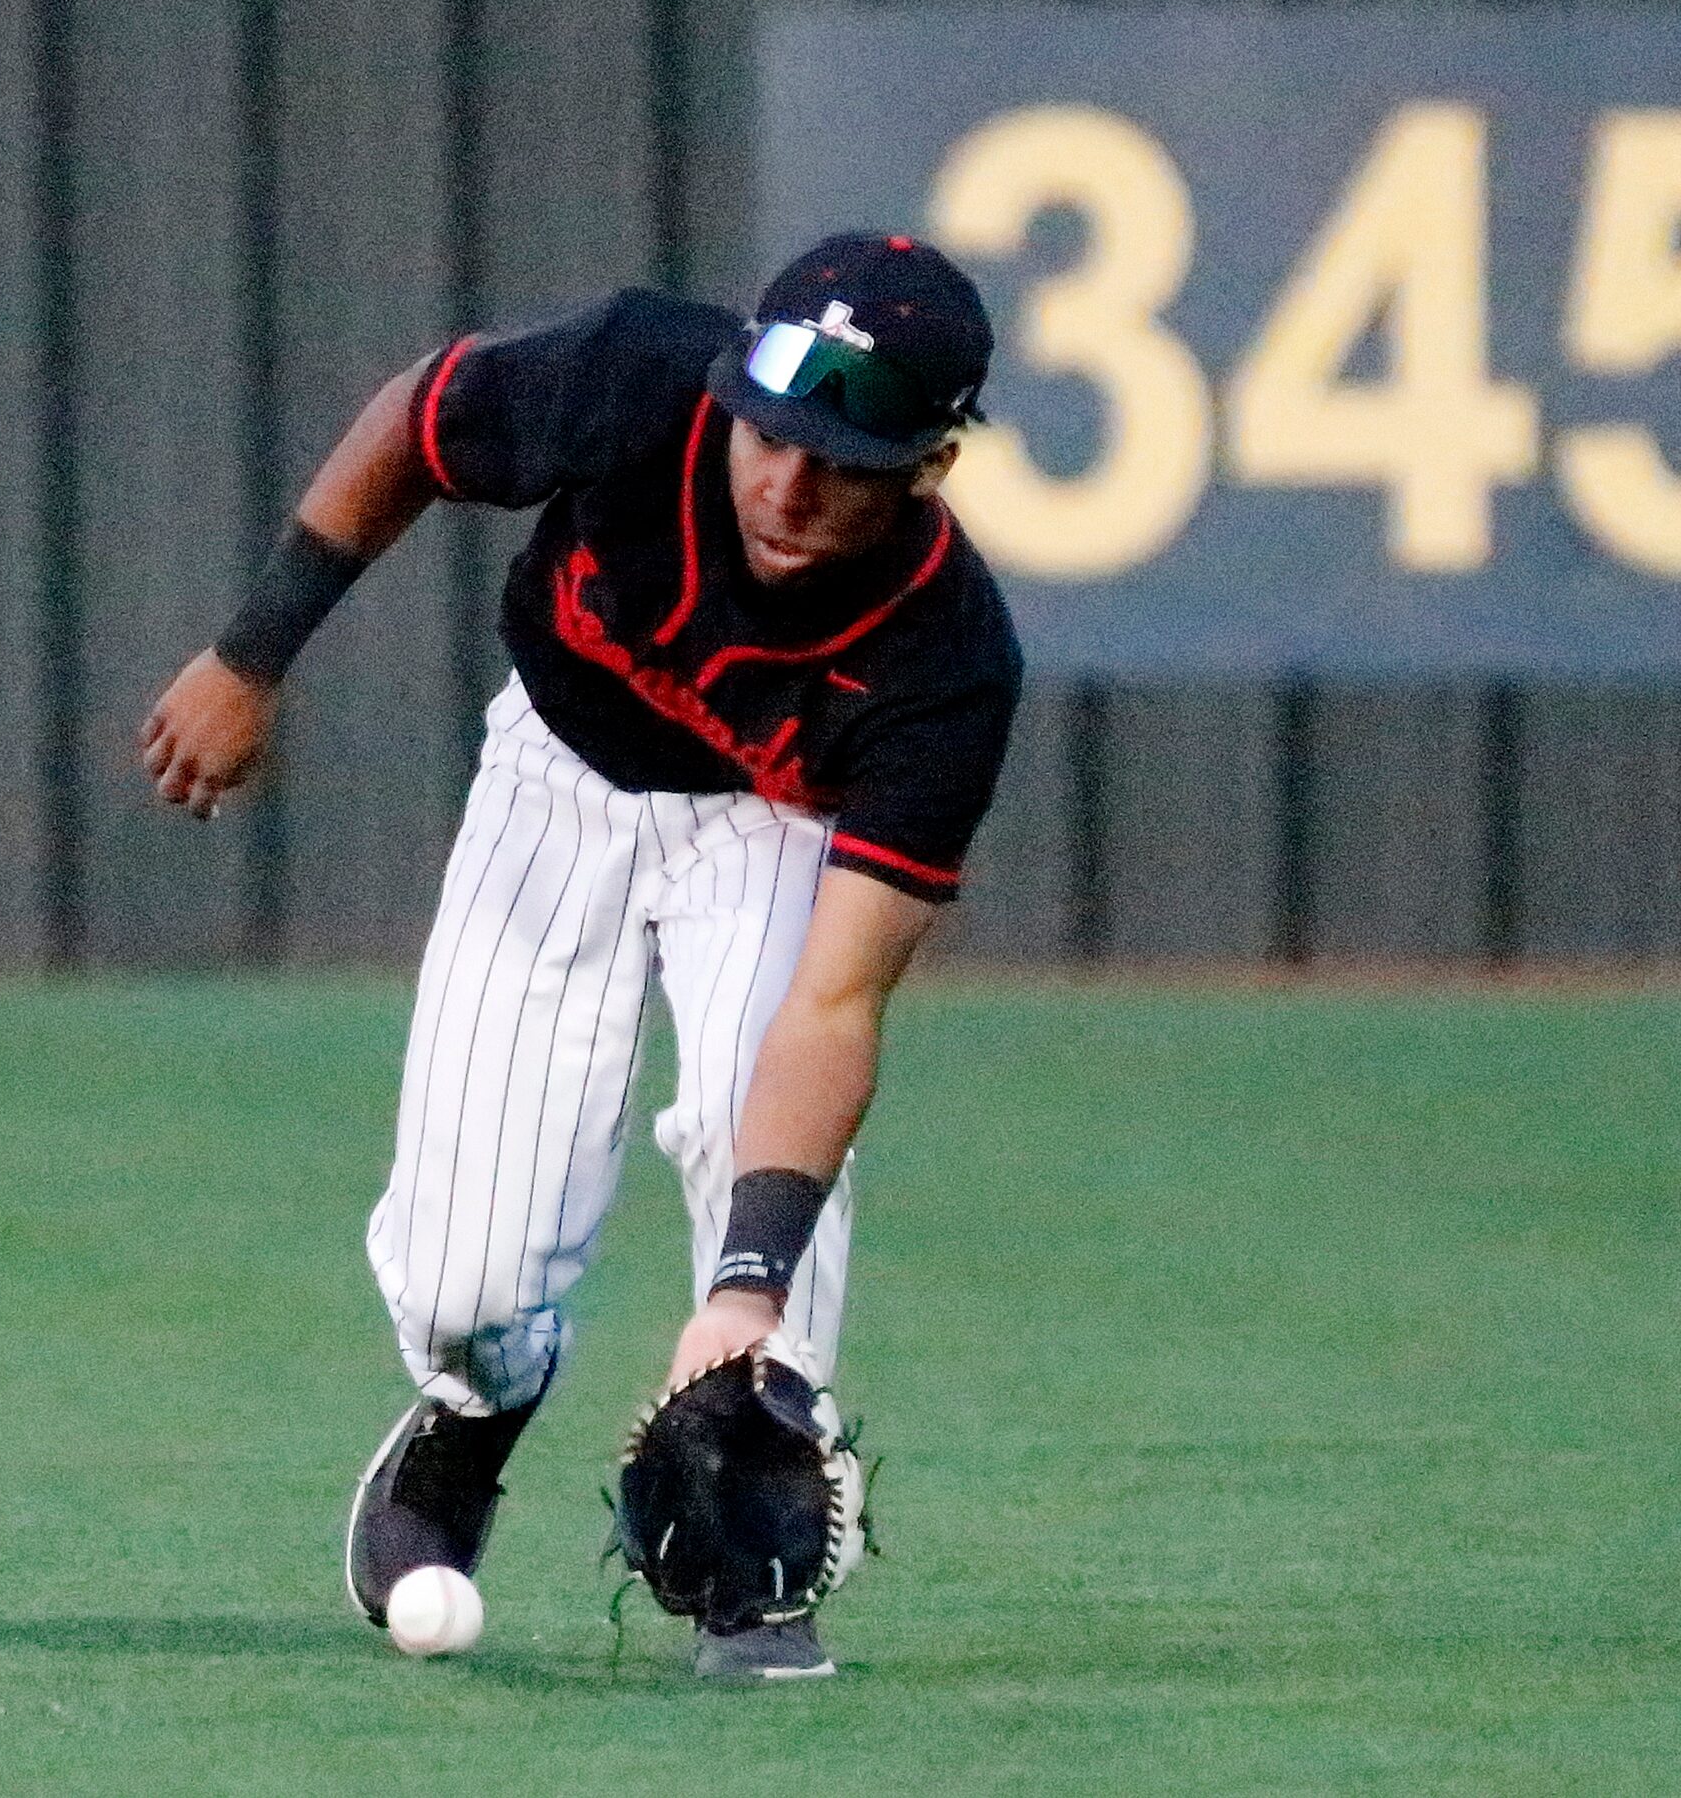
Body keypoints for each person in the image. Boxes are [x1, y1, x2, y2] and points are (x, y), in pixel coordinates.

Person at [138, 234, 1022, 1684]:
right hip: (556, 777)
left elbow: (833, 1000)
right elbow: (419, 421)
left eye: (844, 462)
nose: (785, 486)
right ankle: (475, 1414)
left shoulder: (944, 660)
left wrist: (741, 1291)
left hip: (769, 831)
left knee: (755, 1137)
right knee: (460, 1278)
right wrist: (251, 652)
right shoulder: (636, 379)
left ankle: (753, 1528)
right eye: (771, 432)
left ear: (928, 465)